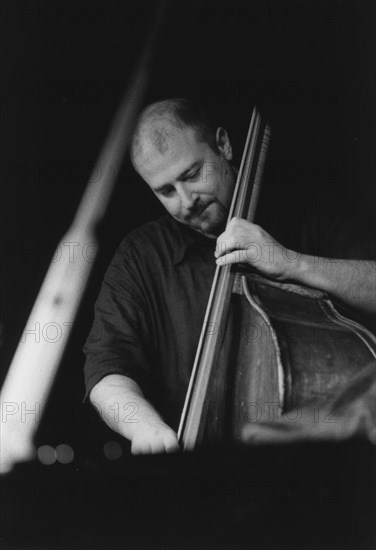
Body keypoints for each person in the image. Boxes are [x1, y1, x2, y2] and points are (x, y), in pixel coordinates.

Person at [83, 98, 376, 455]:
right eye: (165, 191)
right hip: (200, 478)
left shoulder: (307, 209)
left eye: (192, 175)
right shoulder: (140, 256)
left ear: (223, 145)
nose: (186, 200)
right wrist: (144, 427)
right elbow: (106, 368)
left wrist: (292, 263)